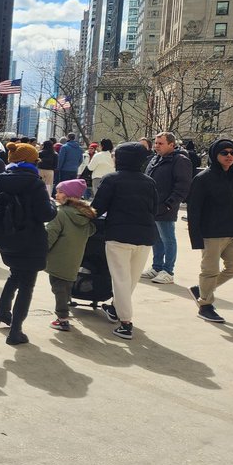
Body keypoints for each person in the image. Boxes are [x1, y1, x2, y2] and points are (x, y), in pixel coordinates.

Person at [0, 142, 58, 345]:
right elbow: (45, 214)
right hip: (30, 240)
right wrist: (52, 204)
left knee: (15, 274)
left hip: (5, 238)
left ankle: (1, 311)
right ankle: (16, 331)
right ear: (32, 161)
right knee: (27, 284)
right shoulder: (35, 183)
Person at [91, 142, 159, 339]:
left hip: (118, 236)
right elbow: (154, 209)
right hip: (145, 236)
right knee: (130, 280)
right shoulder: (149, 181)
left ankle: (126, 323)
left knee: (120, 280)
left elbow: (97, 208)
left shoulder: (111, 179)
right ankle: (115, 309)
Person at [186, 139, 233, 324]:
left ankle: (201, 289)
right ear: (215, 155)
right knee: (210, 271)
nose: (229, 156)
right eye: (224, 153)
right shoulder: (203, 178)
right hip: (211, 233)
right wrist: (196, 237)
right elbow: (194, 209)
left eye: (232, 153)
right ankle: (205, 305)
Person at [45, 178, 98, 332]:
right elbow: (91, 231)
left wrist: (41, 250)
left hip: (57, 259)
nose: (56, 194)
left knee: (58, 288)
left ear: (69, 196)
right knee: (65, 284)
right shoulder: (85, 215)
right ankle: (67, 304)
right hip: (74, 259)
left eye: (60, 192)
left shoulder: (60, 213)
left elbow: (50, 235)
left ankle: (62, 318)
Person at [143, 131, 193, 284]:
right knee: (156, 238)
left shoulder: (180, 161)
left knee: (168, 238)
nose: (157, 146)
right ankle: (157, 267)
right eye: (156, 143)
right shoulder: (155, 159)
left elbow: (183, 186)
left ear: (172, 145)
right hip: (152, 206)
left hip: (166, 206)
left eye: (160, 143)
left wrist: (170, 204)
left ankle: (168, 270)